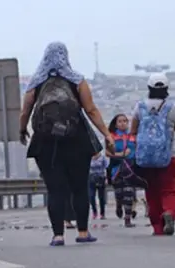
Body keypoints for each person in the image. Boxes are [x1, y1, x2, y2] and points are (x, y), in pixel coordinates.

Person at [19, 42, 115, 246]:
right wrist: (106, 133)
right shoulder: (77, 80)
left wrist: (22, 130)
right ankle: (82, 232)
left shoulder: (36, 82)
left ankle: (58, 235)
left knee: (55, 190)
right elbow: (90, 110)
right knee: (79, 187)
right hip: (76, 140)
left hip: (46, 142)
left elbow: (25, 110)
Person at [131, 73, 175, 236]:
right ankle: (169, 211)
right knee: (169, 189)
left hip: (146, 158)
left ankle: (157, 227)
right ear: (166, 89)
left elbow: (133, 131)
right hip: (168, 156)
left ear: (149, 88)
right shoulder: (173, 107)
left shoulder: (139, 107)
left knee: (151, 191)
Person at [106, 114, 142, 227]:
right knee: (119, 193)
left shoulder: (132, 136)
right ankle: (118, 204)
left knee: (129, 192)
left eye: (125, 121)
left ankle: (127, 218)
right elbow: (107, 153)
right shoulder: (111, 136)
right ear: (115, 124)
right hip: (117, 168)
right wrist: (120, 154)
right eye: (120, 121)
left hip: (130, 168)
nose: (123, 123)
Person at [88, 151, 108, 219]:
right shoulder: (88, 157)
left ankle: (102, 213)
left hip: (100, 177)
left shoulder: (102, 157)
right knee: (91, 196)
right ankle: (94, 211)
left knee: (101, 197)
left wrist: (106, 178)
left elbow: (106, 168)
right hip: (91, 178)